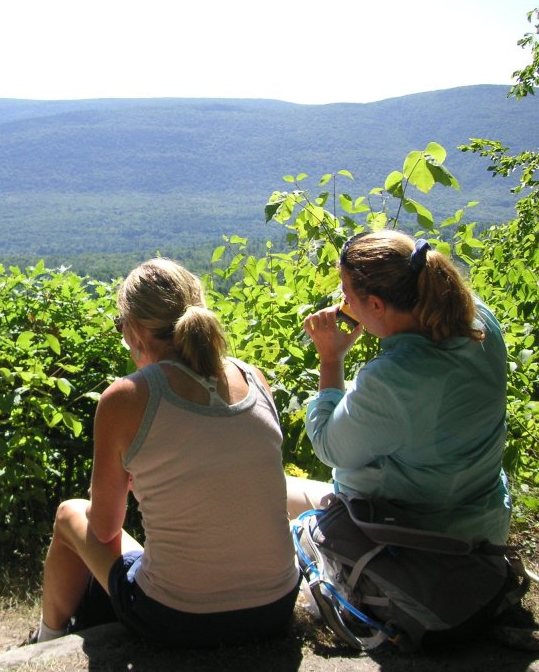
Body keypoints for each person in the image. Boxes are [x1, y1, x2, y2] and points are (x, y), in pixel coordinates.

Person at [26, 257, 300, 647]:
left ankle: (47, 639)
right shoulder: (254, 378)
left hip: (177, 618)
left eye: (122, 326)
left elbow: (103, 528)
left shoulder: (126, 398)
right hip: (275, 608)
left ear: (135, 330)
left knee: (70, 513)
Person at [286, 230, 511, 546]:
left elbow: (329, 447)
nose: (343, 302)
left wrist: (330, 359)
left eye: (347, 295)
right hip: (483, 527)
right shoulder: (477, 318)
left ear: (376, 305)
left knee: (267, 491)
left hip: (411, 543)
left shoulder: (395, 379)